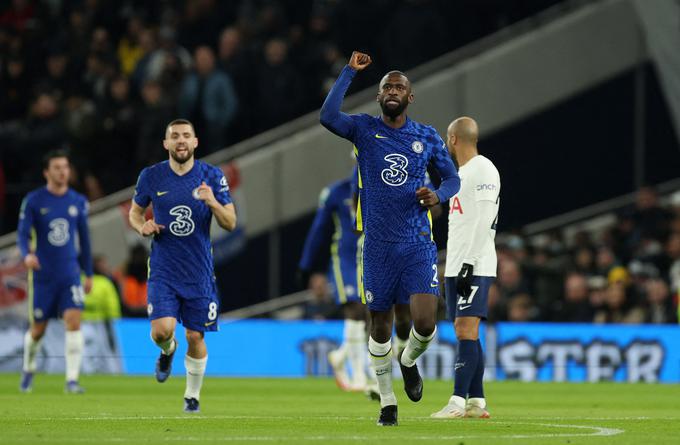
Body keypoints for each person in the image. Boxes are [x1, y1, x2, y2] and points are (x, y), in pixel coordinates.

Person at [320, 51, 460, 426]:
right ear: (380, 96)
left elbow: (452, 179)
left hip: (417, 243)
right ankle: (387, 402)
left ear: (410, 97)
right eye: (387, 87)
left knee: (426, 323)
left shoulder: (427, 137)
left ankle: (409, 359)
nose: (393, 91)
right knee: (379, 327)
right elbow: (328, 116)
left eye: (400, 86)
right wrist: (349, 73)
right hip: (377, 247)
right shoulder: (364, 129)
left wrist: (439, 196)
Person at [128, 119, 236, 413]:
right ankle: (167, 351)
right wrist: (142, 227)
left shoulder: (212, 176)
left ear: (195, 142)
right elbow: (135, 213)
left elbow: (230, 222)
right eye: (174, 136)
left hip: (199, 272)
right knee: (162, 332)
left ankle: (192, 396)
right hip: (164, 269)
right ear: (166, 144)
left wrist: (212, 202)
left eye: (186, 136)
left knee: (194, 335)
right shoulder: (151, 176)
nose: (181, 141)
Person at [431, 117, 500, 419]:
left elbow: (486, 217)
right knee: (466, 333)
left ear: (453, 139)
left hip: (475, 262)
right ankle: (477, 401)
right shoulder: (460, 173)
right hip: (458, 263)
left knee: (465, 329)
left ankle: (457, 401)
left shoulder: (483, 168)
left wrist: (469, 264)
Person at [17, 149, 93, 393]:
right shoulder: (34, 200)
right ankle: (29, 367)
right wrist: (27, 254)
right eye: (57, 167)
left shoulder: (78, 201)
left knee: (73, 322)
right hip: (43, 275)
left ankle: (71, 380)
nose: (63, 172)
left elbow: (85, 239)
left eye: (65, 167)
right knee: (38, 330)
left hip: (69, 272)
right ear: (46, 172)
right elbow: (22, 233)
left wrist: (88, 272)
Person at [298, 167, 375, 394]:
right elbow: (318, 229)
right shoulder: (335, 192)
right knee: (355, 309)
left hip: (371, 254)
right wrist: (306, 264)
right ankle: (359, 376)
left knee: (368, 313)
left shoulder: (379, 186)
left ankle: (340, 357)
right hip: (345, 258)